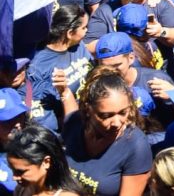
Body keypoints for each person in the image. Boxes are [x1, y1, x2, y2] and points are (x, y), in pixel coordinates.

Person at [60, 67, 153, 196]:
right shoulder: (74, 123)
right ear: (88, 109)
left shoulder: (136, 146)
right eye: (105, 116)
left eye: (123, 113)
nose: (116, 123)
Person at [4, 124, 86, 196]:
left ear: (46, 162)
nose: (14, 178)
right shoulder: (22, 189)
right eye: (13, 170)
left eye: (21, 171)